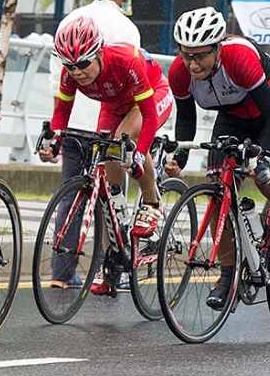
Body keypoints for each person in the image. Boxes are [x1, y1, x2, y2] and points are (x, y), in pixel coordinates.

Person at [39, 15, 173, 295]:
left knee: (122, 141)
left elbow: (148, 114)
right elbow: (62, 114)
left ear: (99, 52)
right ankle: (113, 251)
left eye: (83, 64)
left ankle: (151, 203)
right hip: (113, 105)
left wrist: (139, 153)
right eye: (70, 66)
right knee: (107, 175)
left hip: (150, 97)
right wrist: (55, 142)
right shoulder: (71, 74)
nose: (77, 72)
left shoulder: (125, 60)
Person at [164, 6, 270, 310]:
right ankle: (228, 277)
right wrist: (180, 153)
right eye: (186, 54)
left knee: (269, 182)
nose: (192, 64)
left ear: (217, 48)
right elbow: (186, 121)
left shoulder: (240, 59)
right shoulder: (179, 72)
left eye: (201, 55)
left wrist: (266, 158)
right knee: (219, 192)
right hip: (233, 118)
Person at [48, 0, 140, 290]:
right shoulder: (125, 27)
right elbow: (131, 84)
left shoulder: (71, 19)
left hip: (73, 123)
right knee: (111, 195)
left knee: (71, 195)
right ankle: (107, 270)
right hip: (107, 125)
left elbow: (58, 75)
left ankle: (61, 271)